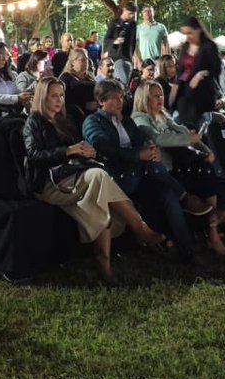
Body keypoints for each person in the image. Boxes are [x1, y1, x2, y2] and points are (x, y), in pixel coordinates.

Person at [24, 77, 170, 280]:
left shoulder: (65, 121)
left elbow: (77, 149)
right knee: (100, 175)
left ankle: (104, 262)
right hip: (49, 182)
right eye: (54, 96)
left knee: (100, 201)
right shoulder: (34, 122)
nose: (59, 100)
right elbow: (34, 156)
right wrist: (69, 150)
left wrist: (85, 151)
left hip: (72, 175)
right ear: (43, 97)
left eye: (62, 95)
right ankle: (140, 228)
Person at [82, 80, 203, 264]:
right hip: (115, 178)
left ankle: (186, 249)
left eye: (121, 97)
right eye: (114, 98)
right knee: (151, 165)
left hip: (137, 174)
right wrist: (139, 154)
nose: (119, 101)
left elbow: (143, 138)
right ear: (101, 101)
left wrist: (150, 148)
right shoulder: (93, 121)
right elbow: (104, 148)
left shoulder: (127, 121)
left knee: (167, 195)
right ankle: (184, 197)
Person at [131, 80, 225, 255]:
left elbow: (184, 132)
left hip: (177, 164)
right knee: (202, 169)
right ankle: (213, 225)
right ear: (144, 99)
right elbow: (159, 139)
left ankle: (212, 227)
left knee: (204, 165)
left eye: (161, 95)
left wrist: (205, 149)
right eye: (155, 96)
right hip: (162, 170)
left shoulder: (163, 115)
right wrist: (190, 140)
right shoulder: (140, 119)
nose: (160, 99)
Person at [173, 16, 221, 129]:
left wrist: (201, 74)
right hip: (185, 98)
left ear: (198, 30)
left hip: (202, 97)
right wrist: (174, 91)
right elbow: (181, 72)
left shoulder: (209, 47)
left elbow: (216, 69)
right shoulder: (185, 47)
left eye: (190, 33)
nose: (187, 36)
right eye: (185, 33)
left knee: (201, 133)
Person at [58, 46, 99, 125]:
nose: (86, 62)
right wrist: (84, 105)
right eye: (82, 60)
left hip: (94, 115)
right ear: (73, 62)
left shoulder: (90, 77)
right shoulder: (66, 77)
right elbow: (64, 100)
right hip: (76, 117)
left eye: (87, 59)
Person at [105, 2, 138, 83]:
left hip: (128, 58)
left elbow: (133, 42)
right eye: (129, 13)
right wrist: (115, 42)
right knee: (121, 82)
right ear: (124, 10)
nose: (131, 16)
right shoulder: (114, 23)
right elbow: (106, 40)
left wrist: (133, 56)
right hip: (116, 57)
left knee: (127, 82)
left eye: (133, 14)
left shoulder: (133, 25)